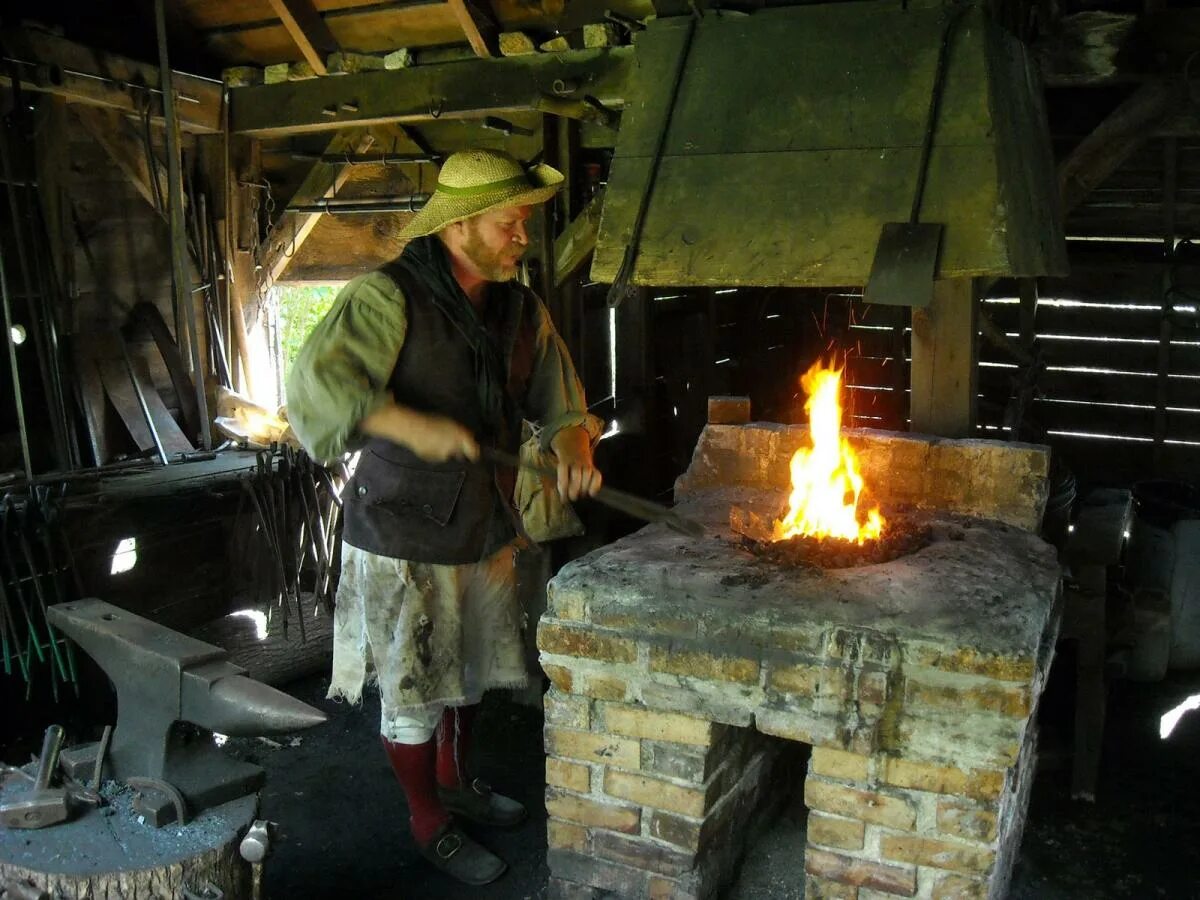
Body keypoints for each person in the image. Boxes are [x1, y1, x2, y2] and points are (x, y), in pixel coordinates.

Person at [285, 149, 602, 885]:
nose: (521, 238)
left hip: (484, 524)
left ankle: (457, 783)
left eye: (521, 223)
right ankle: (427, 821)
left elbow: (562, 399)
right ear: (459, 226)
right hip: (403, 533)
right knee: (417, 684)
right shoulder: (388, 297)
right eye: (510, 223)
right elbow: (316, 389)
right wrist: (406, 424)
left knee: (470, 672)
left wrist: (573, 444)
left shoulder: (520, 308)